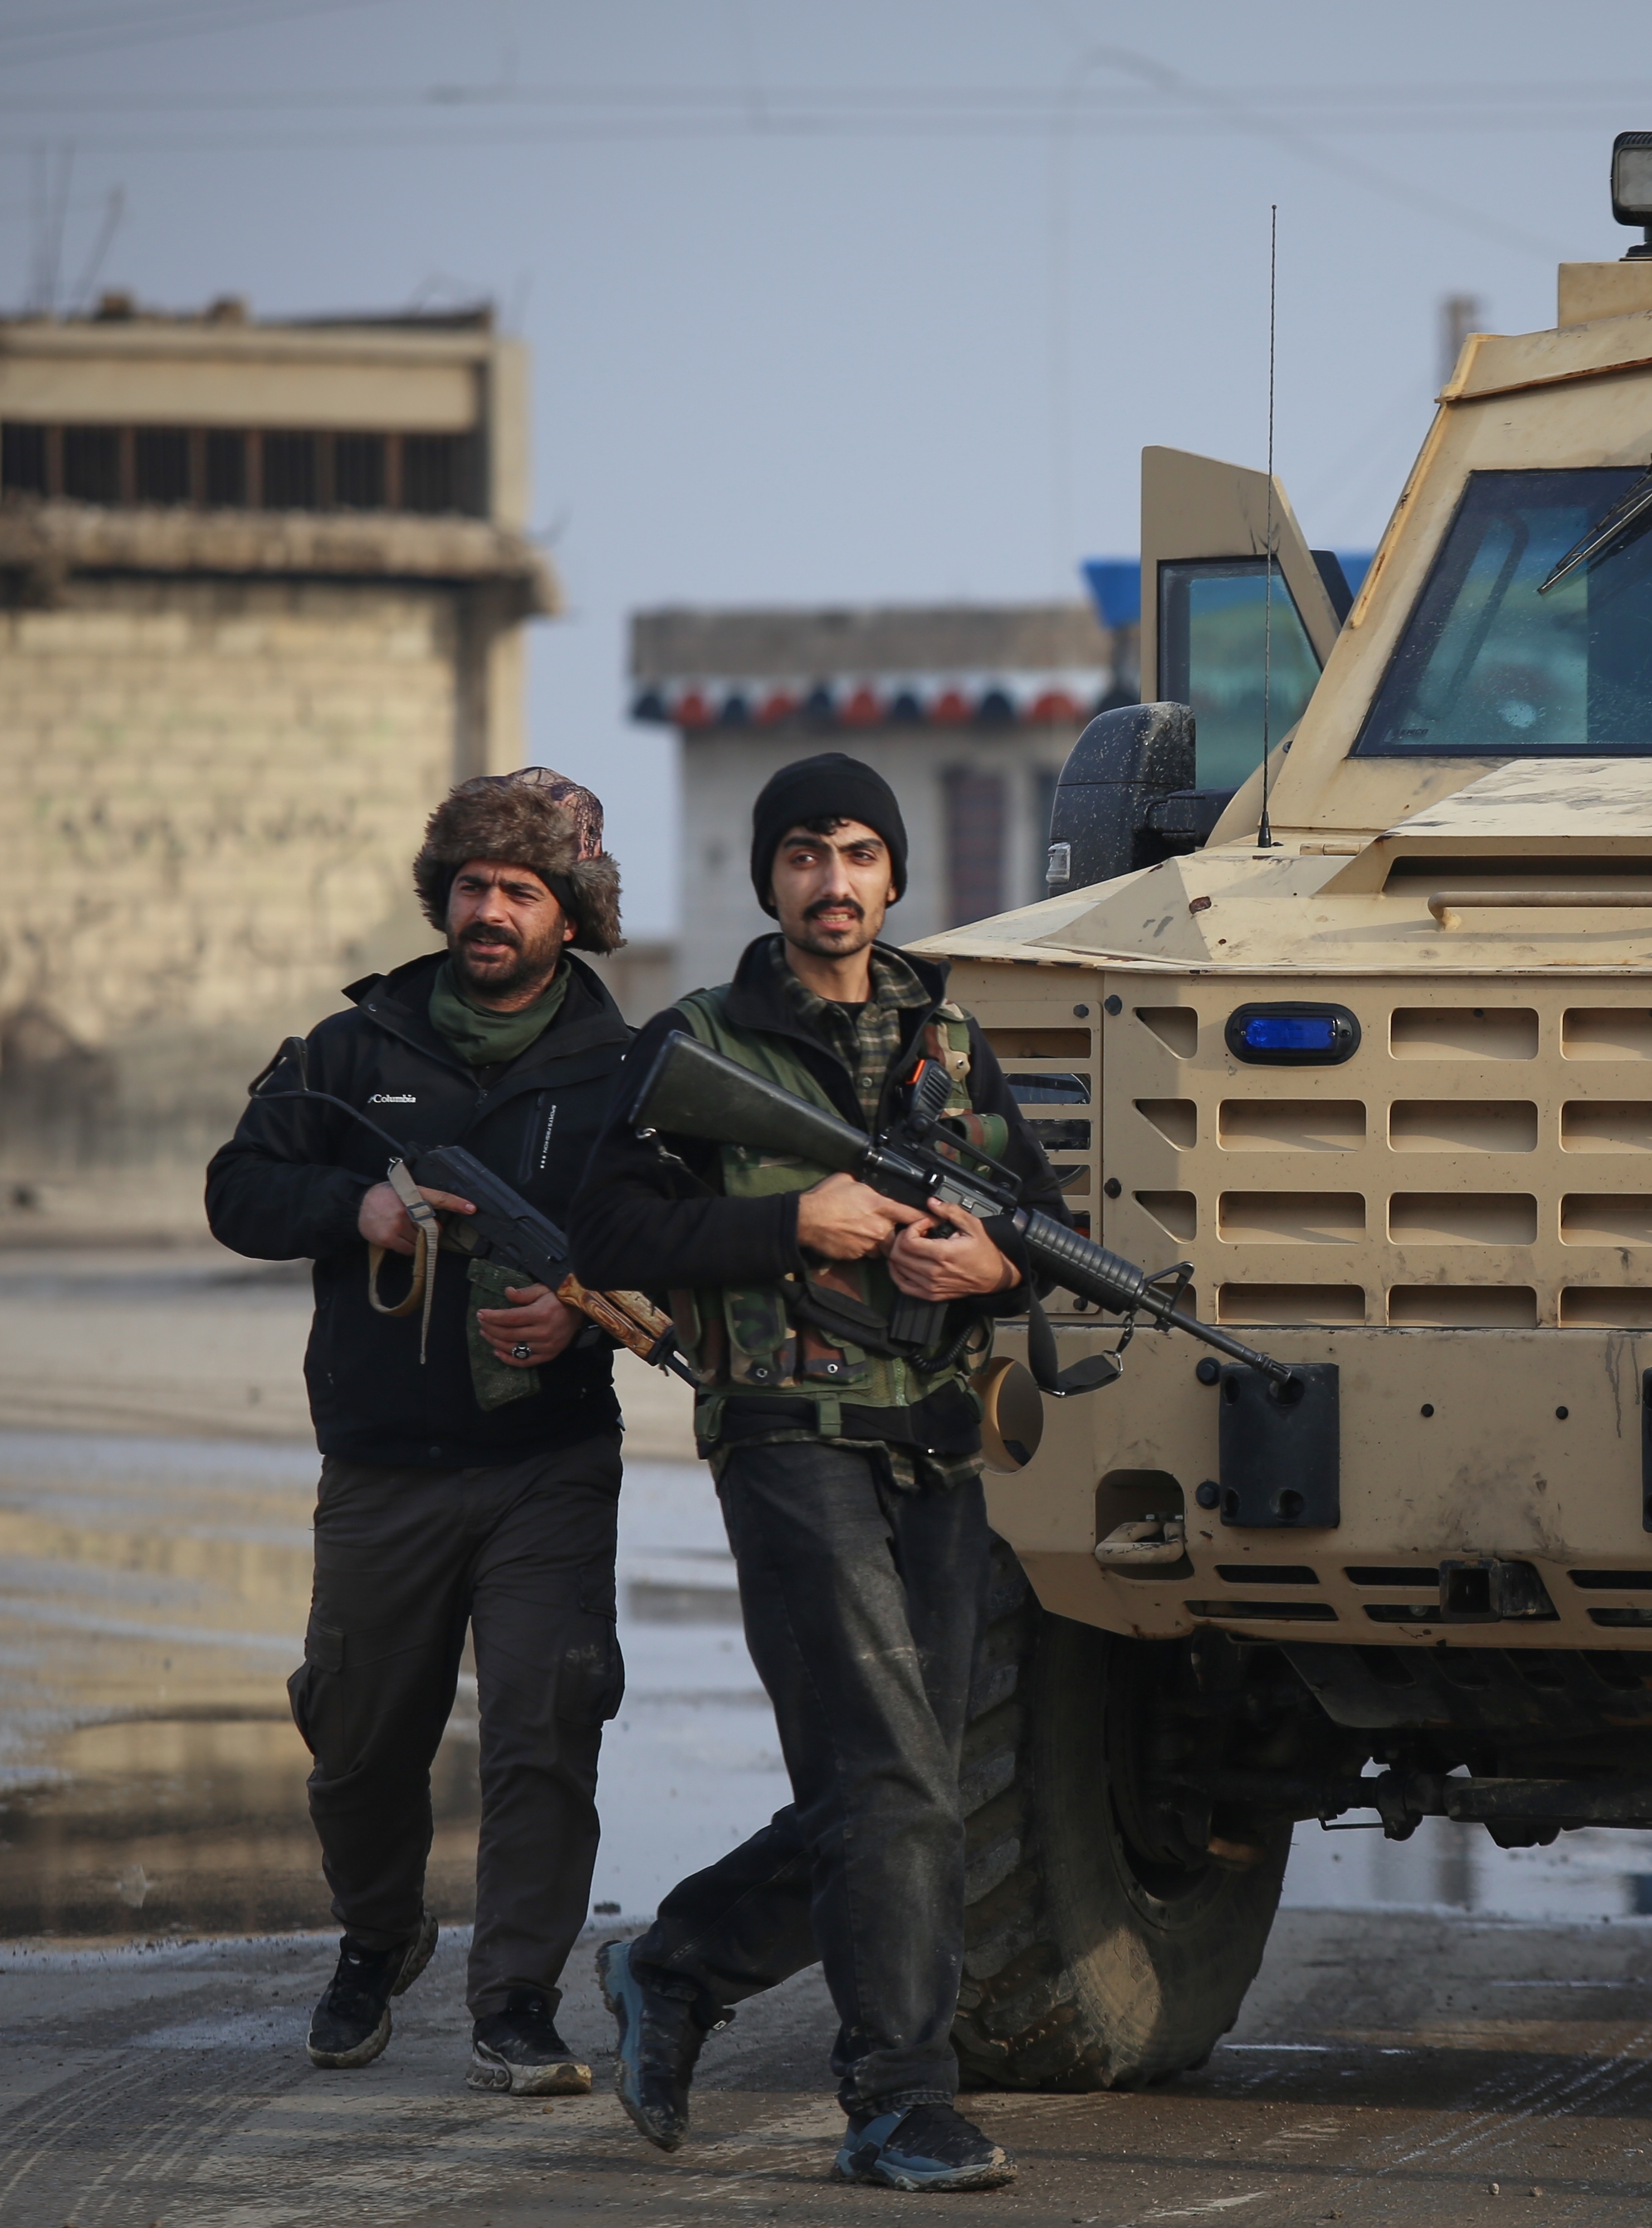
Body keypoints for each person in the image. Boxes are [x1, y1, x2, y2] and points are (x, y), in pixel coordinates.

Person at [568, 753, 1058, 2195]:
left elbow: (1035, 1208)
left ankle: (677, 1965)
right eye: (804, 855)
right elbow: (607, 1232)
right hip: (787, 1433)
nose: (833, 882)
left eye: (857, 855)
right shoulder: (699, 1042)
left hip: (931, 1443)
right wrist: (799, 1223)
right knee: (897, 1779)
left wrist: (997, 1256)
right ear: (770, 878)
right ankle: (899, 2102)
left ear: (894, 878)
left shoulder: (948, 1042)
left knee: (911, 1782)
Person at [203, 768, 638, 2097]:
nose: (490, 909)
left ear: (571, 913)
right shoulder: (354, 1047)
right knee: (356, 1732)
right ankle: (379, 1936)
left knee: (544, 1731)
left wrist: (584, 1316)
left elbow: (664, 1242)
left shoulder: (627, 1067)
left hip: (547, 1464)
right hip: (384, 1462)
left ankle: (515, 1998)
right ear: (440, 896)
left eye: (519, 888)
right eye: (471, 885)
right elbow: (238, 1190)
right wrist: (360, 1211)